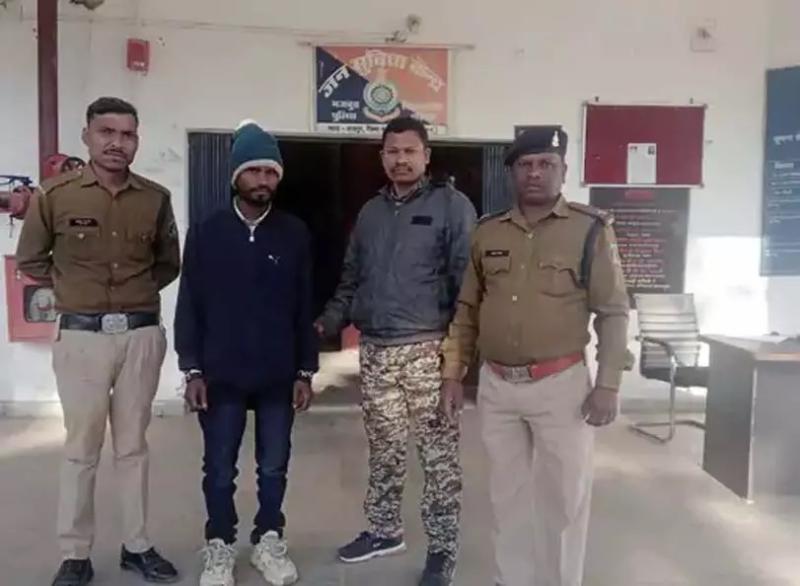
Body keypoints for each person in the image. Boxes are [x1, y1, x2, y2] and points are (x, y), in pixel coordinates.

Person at [440, 128, 630, 586]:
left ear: (563, 170)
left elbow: (612, 311)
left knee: (563, 501)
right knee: (506, 500)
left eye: (546, 164)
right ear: (511, 172)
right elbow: (467, 309)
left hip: (561, 387)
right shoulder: (488, 231)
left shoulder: (589, 229)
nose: (535, 173)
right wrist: (453, 372)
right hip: (498, 387)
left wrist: (608, 383)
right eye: (525, 164)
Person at [16, 97, 181, 586]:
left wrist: (132, 296)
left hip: (140, 335)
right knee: (81, 449)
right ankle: (75, 554)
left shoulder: (155, 198)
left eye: (127, 134)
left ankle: (137, 545)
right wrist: (77, 291)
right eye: (106, 132)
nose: (116, 143)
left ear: (137, 141)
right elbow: (31, 260)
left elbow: (168, 263)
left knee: (133, 447)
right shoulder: (55, 195)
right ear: (87, 136)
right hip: (81, 338)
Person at [316, 116, 477, 586]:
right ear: (382, 156)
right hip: (377, 352)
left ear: (427, 156)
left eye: (410, 151)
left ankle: (442, 550)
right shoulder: (371, 213)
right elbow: (352, 279)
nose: (400, 159)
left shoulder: (452, 206)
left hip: (428, 351)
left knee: (438, 458)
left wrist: (456, 360)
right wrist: (326, 322)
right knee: (384, 450)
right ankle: (385, 531)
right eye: (392, 151)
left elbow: (466, 287)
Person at [175, 122, 317, 586]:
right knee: (219, 469)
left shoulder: (294, 233)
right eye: (254, 171)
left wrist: (305, 370)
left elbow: (304, 305)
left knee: (274, 466)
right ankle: (219, 544)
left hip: (278, 374)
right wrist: (192, 369)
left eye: (271, 172)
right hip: (221, 374)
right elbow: (190, 304)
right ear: (236, 175)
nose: (263, 180)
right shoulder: (207, 233)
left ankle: (268, 539)